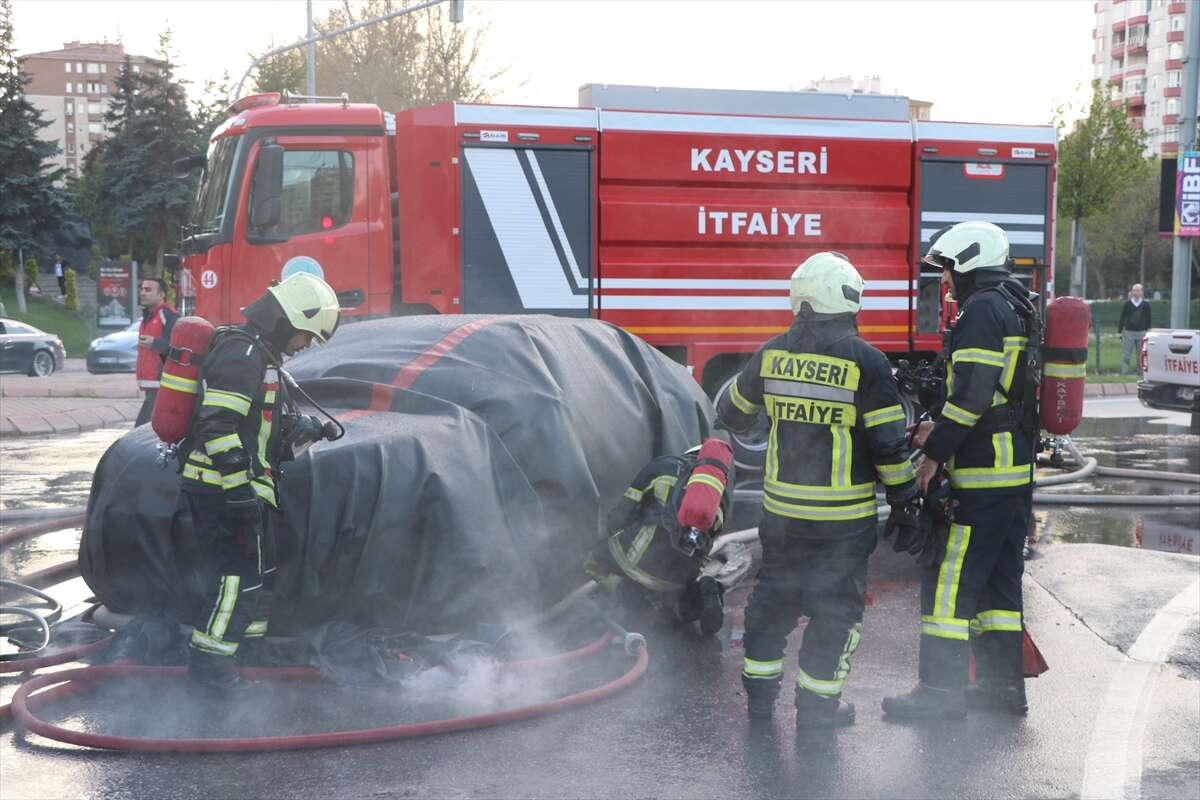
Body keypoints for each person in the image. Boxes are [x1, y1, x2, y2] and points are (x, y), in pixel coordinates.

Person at [716, 252, 917, 728]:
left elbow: (732, 413)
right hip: (842, 524)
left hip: (782, 519)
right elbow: (889, 447)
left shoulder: (772, 353)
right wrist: (907, 502)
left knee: (770, 608)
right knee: (834, 614)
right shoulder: (866, 362)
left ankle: (761, 705)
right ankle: (817, 709)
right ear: (848, 300)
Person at [882, 221, 1036, 720]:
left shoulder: (981, 310)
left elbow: (970, 398)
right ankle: (1002, 689)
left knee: (949, 580)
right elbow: (989, 393)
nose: (945, 281)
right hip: (1012, 472)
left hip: (983, 472)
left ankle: (940, 694)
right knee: (998, 587)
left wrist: (934, 455)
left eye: (947, 270)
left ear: (969, 263)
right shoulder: (1014, 304)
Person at [179, 272, 341, 691]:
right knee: (237, 578)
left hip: (247, 487)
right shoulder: (241, 354)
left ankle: (247, 650)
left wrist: (307, 429)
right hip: (220, 488)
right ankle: (210, 668)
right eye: (306, 336)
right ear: (288, 320)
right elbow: (217, 426)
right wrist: (237, 492)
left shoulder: (261, 356)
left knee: (261, 572)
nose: (305, 345)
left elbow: (262, 424)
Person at [584, 437, 735, 636]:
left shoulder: (663, 467)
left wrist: (610, 537)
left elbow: (619, 518)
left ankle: (624, 591)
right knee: (673, 614)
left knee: (593, 561)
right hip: (679, 579)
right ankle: (695, 598)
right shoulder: (718, 498)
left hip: (636, 562)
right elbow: (705, 546)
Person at [135, 277, 179, 426]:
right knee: (149, 428)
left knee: (141, 429)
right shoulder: (148, 316)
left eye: (148, 290)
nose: (142, 293)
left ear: (161, 295)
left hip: (161, 382)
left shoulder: (168, 315)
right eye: (141, 289)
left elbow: (175, 345)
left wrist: (154, 343)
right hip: (152, 384)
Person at [1118, 283, 1151, 375]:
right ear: (1132, 292)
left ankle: (1141, 371)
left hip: (1142, 332)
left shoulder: (1146, 305)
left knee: (1140, 354)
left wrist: (1148, 330)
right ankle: (1124, 371)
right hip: (1129, 332)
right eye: (1135, 290)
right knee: (1127, 354)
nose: (1136, 292)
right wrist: (1120, 330)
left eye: (1138, 290)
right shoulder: (1127, 304)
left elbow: (1148, 318)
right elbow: (1122, 317)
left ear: (1142, 292)